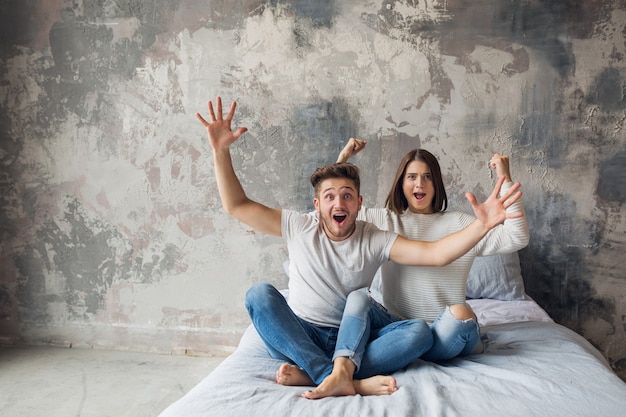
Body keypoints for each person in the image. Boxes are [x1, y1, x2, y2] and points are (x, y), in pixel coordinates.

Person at [196, 97, 523, 399]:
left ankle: (323, 374)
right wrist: (220, 152)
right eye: (330, 197)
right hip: (301, 337)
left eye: (347, 196)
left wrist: (482, 224)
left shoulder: (375, 235)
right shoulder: (299, 225)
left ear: (359, 204)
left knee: (410, 329)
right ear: (316, 205)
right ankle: (336, 376)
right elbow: (237, 205)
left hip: (355, 337)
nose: (339, 203)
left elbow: (434, 254)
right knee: (259, 295)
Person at [336, 138, 529, 362]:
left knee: (461, 313)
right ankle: (357, 363)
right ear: (401, 183)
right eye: (412, 177)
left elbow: (517, 237)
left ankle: (413, 351)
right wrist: (343, 160)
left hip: (445, 330)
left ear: (436, 183)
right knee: (359, 300)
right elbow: (337, 214)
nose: (420, 184)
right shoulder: (385, 220)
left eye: (427, 177)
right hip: (400, 329)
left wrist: (505, 179)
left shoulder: (462, 224)